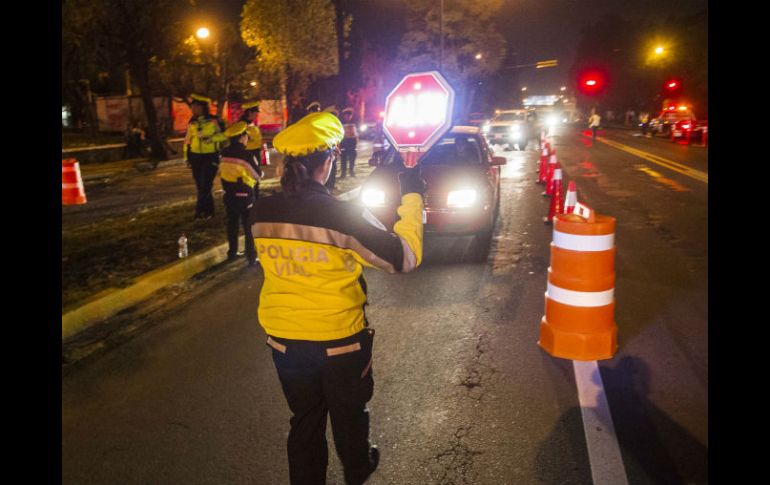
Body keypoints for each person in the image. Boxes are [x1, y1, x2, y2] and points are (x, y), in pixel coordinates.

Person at [251, 111, 425, 485]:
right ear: (328, 161)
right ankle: (357, 471)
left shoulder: (260, 211)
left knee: (305, 421)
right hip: (339, 343)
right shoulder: (342, 215)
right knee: (349, 416)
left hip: (284, 341)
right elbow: (403, 258)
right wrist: (412, 196)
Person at [219, 121, 261, 265]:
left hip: (229, 194)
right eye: (246, 136)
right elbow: (257, 174)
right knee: (249, 226)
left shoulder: (223, 153)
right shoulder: (246, 155)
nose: (247, 138)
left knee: (232, 224)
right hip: (245, 195)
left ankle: (232, 253)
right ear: (241, 137)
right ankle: (251, 256)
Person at [184, 94, 227, 219]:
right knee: (200, 186)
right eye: (192, 107)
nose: (193, 109)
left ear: (202, 107)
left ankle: (199, 211)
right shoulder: (192, 122)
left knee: (206, 184)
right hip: (195, 156)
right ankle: (209, 212)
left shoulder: (215, 120)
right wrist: (186, 157)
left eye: (195, 107)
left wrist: (212, 139)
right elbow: (187, 140)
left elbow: (225, 135)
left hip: (210, 156)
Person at [340, 108, 359, 178]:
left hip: (352, 144)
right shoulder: (341, 123)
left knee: (352, 160)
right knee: (343, 160)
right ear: (344, 116)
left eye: (349, 115)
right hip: (344, 144)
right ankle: (343, 173)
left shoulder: (354, 123)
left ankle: (351, 172)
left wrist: (356, 143)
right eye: (347, 115)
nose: (348, 117)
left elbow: (356, 134)